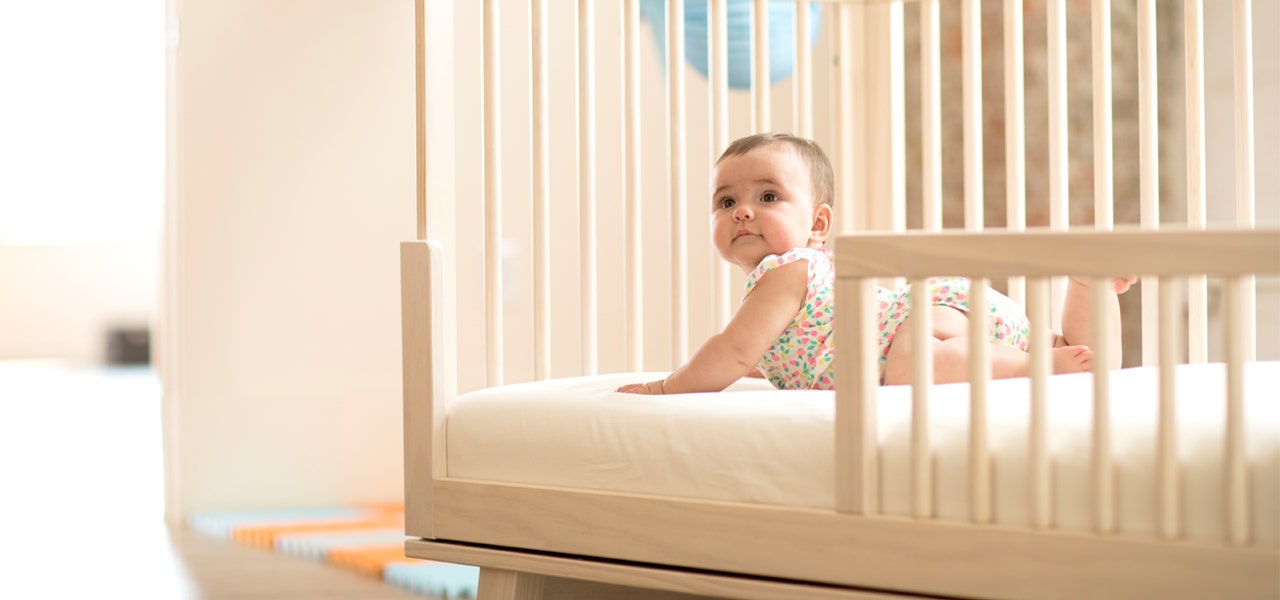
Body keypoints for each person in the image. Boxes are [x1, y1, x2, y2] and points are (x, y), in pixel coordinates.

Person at [618, 133, 1133, 394]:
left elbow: (732, 351)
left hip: (917, 322)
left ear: (818, 225)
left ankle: (1039, 366)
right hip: (950, 324)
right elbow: (768, 357)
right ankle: (1089, 286)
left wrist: (667, 386)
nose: (743, 210)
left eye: (768, 196)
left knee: (910, 363)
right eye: (726, 203)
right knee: (1081, 358)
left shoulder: (787, 270)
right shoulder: (796, 281)